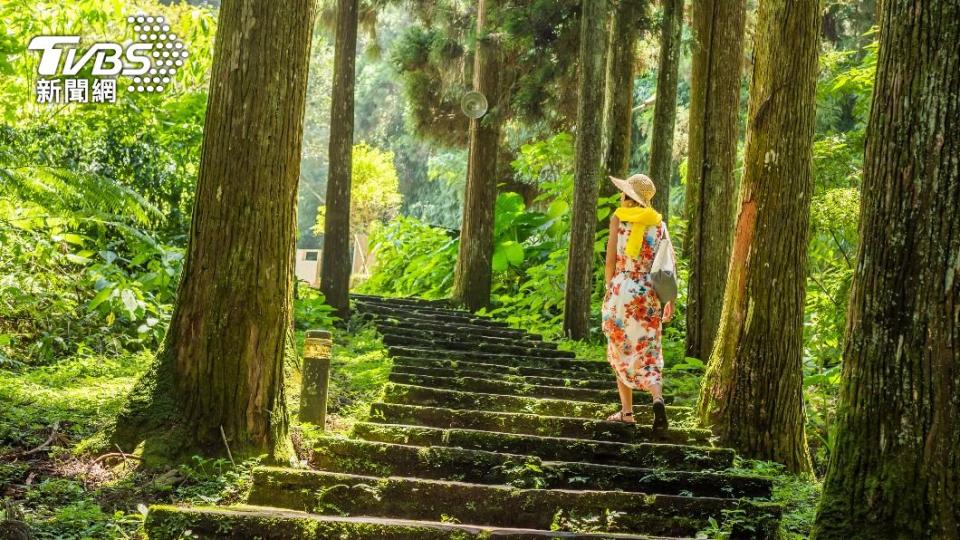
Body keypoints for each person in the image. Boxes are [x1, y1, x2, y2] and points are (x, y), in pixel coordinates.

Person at [601, 173, 674, 430]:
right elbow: (667, 266)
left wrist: (610, 288)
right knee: (649, 352)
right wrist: (669, 300)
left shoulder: (619, 218)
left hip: (623, 290)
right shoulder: (659, 224)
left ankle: (628, 413)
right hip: (649, 293)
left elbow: (610, 260)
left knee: (621, 349)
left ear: (627, 195)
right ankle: (656, 397)